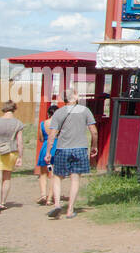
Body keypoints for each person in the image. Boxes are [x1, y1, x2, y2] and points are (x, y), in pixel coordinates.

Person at [46, 89, 97, 219]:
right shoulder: (85, 111)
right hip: (80, 148)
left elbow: (52, 134)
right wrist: (94, 146)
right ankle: (70, 209)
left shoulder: (58, 112)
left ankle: (57, 204)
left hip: (62, 148)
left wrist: (48, 152)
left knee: (57, 177)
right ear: (74, 97)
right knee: (75, 179)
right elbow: (93, 131)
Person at [0, 101, 25, 214]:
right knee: (7, 177)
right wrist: (20, 156)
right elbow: (20, 142)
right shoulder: (18, 123)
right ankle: (3, 202)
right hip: (11, 151)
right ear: (14, 109)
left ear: (3, 109)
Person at [36, 103, 59, 206]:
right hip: (56, 147)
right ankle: (50, 198)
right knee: (53, 174)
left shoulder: (43, 124)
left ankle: (43, 195)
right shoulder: (59, 124)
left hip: (45, 148)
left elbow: (40, 138)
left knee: (43, 173)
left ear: (48, 113)